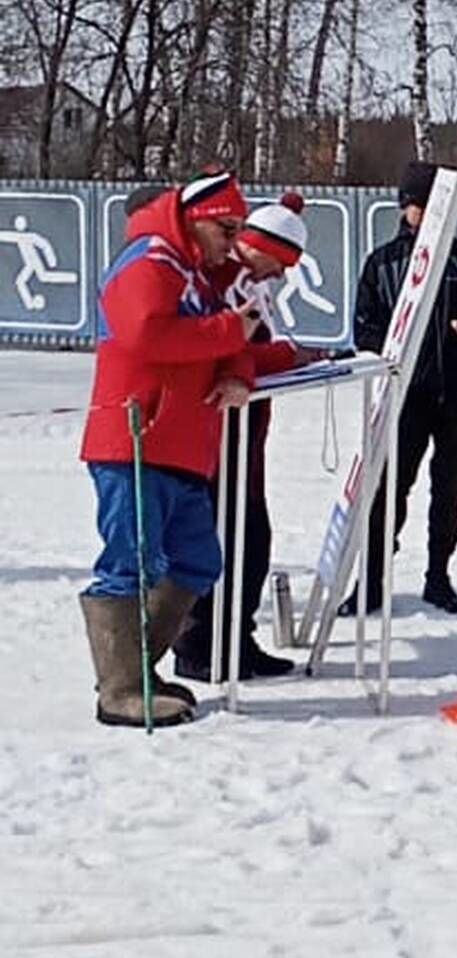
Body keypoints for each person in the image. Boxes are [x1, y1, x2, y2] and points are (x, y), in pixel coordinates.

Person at [78, 173, 256, 727]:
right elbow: (146, 335)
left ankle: (136, 669)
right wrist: (232, 335)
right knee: (129, 563)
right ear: (196, 219)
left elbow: (243, 337)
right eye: (227, 228)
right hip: (136, 439)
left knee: (199, 559)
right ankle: (121, 689)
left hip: (181, 444)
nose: (233, 240)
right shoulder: (149, 261)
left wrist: (239, 371)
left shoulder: (196, 274)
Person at [172, 194, 324, 683]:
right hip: (218, 437)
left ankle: (237, 639)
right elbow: (223, 352)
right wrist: (288, 357)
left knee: (251, 544)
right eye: (275, 262)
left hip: (244, 439)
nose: (277, 274)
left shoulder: (244, 281)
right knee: (220, 543)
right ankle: (200, 645)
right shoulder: (221, 281)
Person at [346, 160, 457, 615]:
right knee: (388, 488)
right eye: (418, 207)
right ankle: (370, 581)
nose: (426, 217)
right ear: (404, 208)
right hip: (404, 397)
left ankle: (438, 576)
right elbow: (364, 327)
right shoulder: (383, 262)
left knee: (451, 487)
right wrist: (392, 349)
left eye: (435, 209)